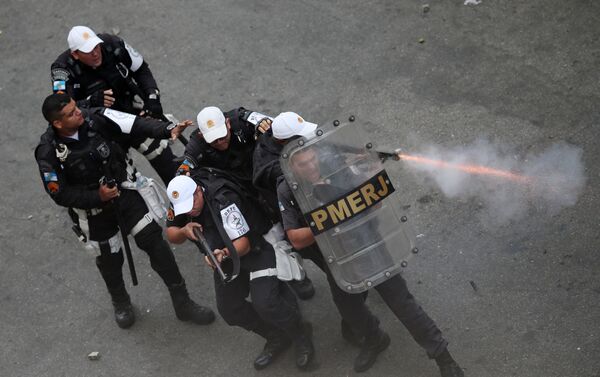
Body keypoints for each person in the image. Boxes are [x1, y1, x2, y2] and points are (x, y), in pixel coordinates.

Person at [260, 112, 464, 376]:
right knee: (349, 308)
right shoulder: (287, 188)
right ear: (291, 163)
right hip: (338, 256)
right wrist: (327, 220)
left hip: (370, 242)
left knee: (402, 303)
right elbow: (296, 239)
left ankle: (444, 358)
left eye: (313, 160)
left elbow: (377, 201)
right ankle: (375, 338)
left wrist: (365, 175)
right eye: (303, 164)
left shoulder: (336, 163)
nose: (311, 167)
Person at [35, 92, 215, 329]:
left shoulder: (95, 117)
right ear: (57, 123)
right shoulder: (48, 152)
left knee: (155, 244)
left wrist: (167, 129)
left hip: (125, 194)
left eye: (75, 107)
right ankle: (121, 301)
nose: (78, 112)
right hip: (93, 213)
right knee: (110, 260)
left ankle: (183, 302)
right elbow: (59, 193)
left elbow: (134, 124)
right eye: (71, 113)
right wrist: (96, 197)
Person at [165, 171, 314, 370]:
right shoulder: (181, 199)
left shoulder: (223, 200)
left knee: (266, 303)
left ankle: (300, 333)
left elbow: (244, 243)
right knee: (229, 309)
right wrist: (184, 230)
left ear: (198, 191)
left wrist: (222, 254)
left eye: (191, 205)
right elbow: (171, 233)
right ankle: (275, 335)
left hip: (256, 250)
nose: (189, 212)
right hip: (224, 259)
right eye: (184, 209)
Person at [177, 106, 316, 300]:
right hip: (239, 194)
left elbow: (276, 129)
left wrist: (264, 128)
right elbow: (185, 166)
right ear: (202, 134)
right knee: (270, 237)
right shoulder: (196, 143)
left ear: (227, 123)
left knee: (288, 223)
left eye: (222, 135)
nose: (219, 141)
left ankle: (303, 262)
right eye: (213, 139)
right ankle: (295, 278)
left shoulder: (242, 119)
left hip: (265, 180)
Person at [50, 25, 179, 184]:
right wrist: (91, 102)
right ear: (75, 54)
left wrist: (152, 98)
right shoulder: (62, 70)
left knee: (167, 161)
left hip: (132, 115)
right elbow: (62, 109)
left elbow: (141, 69)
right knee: (123, 183)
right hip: (100, 132)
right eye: (88, 51)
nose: (95, 52)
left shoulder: (112, 44)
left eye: (96, 46)